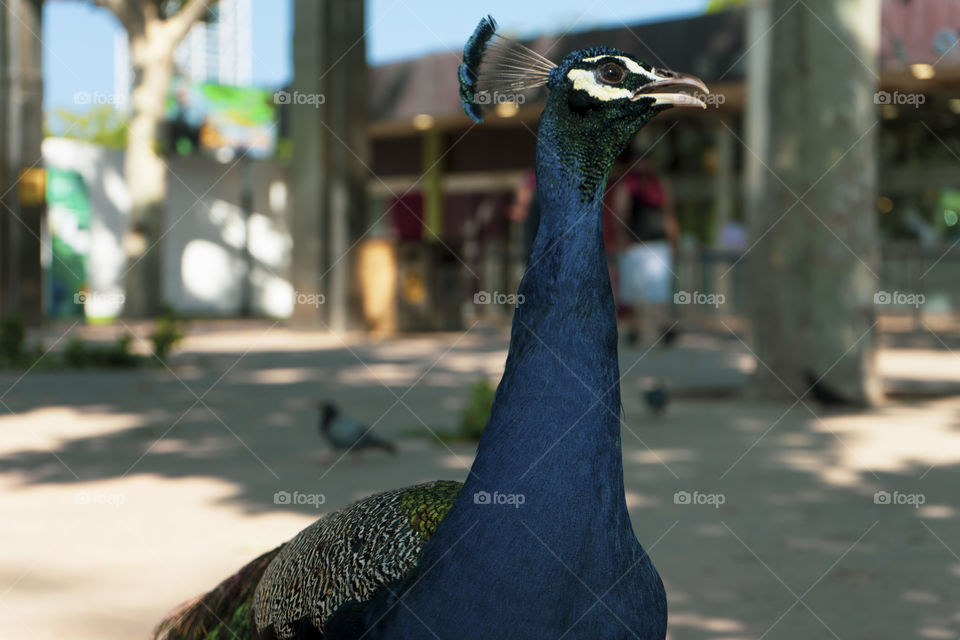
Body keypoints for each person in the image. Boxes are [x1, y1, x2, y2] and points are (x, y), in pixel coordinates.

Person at [606, 157, 679, 346]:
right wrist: (622, 239)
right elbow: (620, 214)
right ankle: (635, 329)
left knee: (659, 291)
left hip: (657, 242)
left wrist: (673, 241)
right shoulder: (628, 186)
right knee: (633, 291)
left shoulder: (658, 185)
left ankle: (663, 327)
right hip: (634, 245)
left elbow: (667, 214)